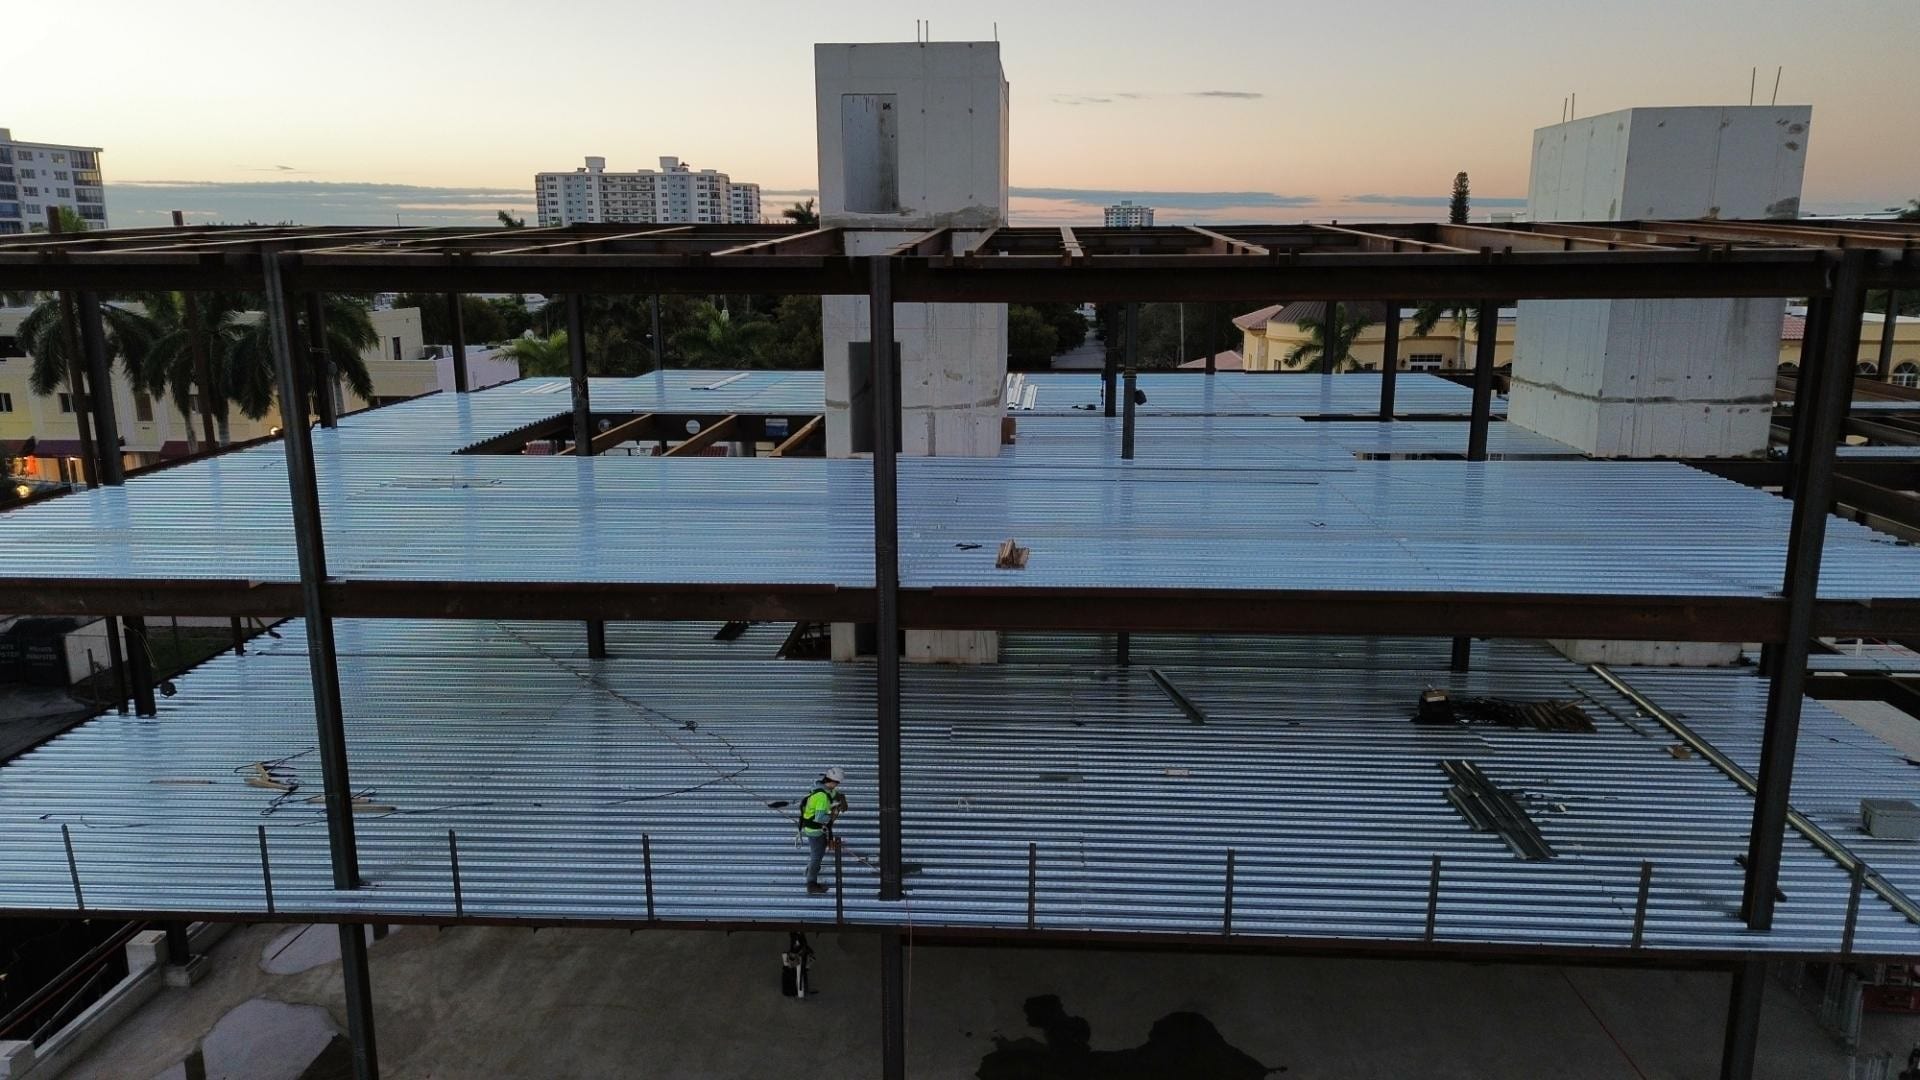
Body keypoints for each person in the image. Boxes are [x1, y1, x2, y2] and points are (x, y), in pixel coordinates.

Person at [800, 766, 847, 895]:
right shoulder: (821, 796)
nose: (837, 786)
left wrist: (840, 798)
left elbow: (833, 794)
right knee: (817, 856)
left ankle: (811, 870)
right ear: (832, 781)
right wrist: (833, 813)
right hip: (814, 830)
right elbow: (819, 817)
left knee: (818, 852)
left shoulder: (823, 787)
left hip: (817, 829)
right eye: (837, 783)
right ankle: (811, 883)